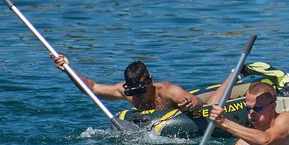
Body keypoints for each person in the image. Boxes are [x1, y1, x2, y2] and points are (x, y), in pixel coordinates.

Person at [52, 54, 203, 112]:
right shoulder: (127, 93)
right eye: (133, 91)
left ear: (150, 81)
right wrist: (68, 69)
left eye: (141, 90)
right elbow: (92, 88)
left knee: (211, 98)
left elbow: (197, 101)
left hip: (188, 111)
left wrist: (192, 104)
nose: (138, 96)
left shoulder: (169, 91)